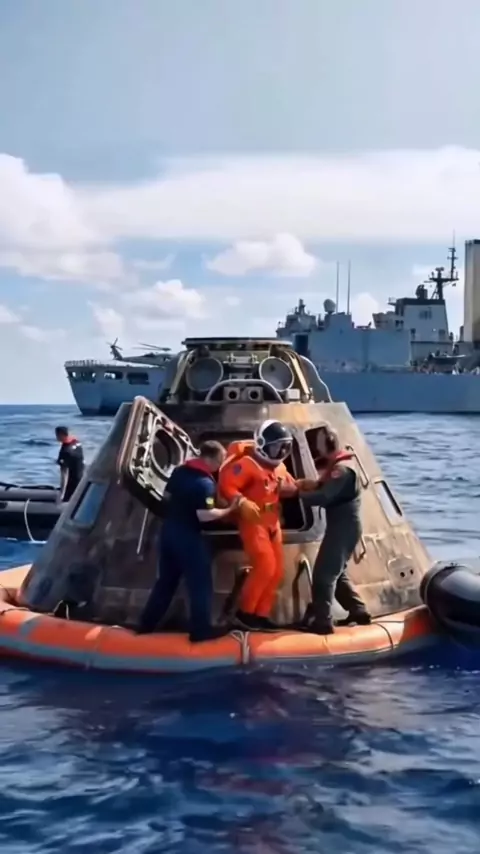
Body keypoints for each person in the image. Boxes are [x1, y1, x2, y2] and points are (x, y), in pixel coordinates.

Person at [218, 420, 317, 631]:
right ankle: (244, 614)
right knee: (265, 566)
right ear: (262, 444)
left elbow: (288, 487)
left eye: (284, 447)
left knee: (277, 571)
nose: (280, 452)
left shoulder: (279, 467)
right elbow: (227, 486)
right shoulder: (246, 465)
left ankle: (261, 614)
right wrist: (242, 502)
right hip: (253, 521)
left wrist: (303, 486)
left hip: (273, 523)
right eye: (276, 447)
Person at [137, 440, 239, 643]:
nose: (221, 464)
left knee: (166, 582)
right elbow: (204, 515)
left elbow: (166, 496)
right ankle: (200, 631)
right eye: (220, 460)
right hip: (188, 536)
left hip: (168, 532)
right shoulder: (205, 484)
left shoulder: (179, 471)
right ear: (209, 458)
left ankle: (146, 625)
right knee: (200, 584)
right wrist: (229, 510)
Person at [297, 424, 371, 635]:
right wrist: (309, 484)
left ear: (325, 445)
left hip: (343, 528)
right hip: (344, 527)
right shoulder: (340, 467)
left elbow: (324, 497)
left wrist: (296, 494)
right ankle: (358, 610)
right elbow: (326, 488)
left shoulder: (341, 471)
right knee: (337, 574)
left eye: (319, 443)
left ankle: (322, 621)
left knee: (323, 575)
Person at [55, 426, 85, 502]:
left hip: (72, 483)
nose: (56, 437)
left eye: (57, 435)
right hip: (81, 479)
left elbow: (64, 475)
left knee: (66, 501)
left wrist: (62, 494)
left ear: (61, 435)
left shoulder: (65, 451)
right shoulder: (77, 442)